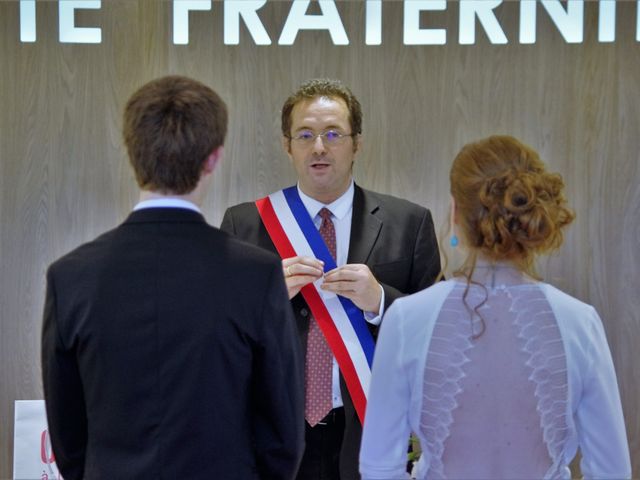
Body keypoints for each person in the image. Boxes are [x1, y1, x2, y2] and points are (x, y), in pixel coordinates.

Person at [41, 75, 305, 480]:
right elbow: (282, 434)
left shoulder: (70, 277)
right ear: (214, 158)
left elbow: (68, 441)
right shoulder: (256, 275)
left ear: (131, 153)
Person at [359, 135, 632, 479]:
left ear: (455, 214)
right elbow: (612, 472)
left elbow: (379, 467)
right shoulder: (580, 322)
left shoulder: (405, 319)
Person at [221, 78, 441, 480]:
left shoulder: (409, 223)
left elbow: (439, 334)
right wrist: (263, 298)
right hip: (273, 433)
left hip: (370, 430)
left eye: (333, 134)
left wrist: (381, 302)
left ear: (356, 143)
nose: (319, 146)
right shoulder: (244, 224)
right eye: (305, 134)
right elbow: (215, 334)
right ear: (287, 145)